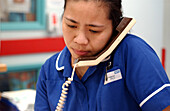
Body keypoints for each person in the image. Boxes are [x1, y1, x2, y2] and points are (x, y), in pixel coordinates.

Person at [34, 0, 170, 110]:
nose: (80, 40)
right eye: (71, 25)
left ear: (116, 28)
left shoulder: (132, 52)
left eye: (94, 30)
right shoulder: (49, 70)